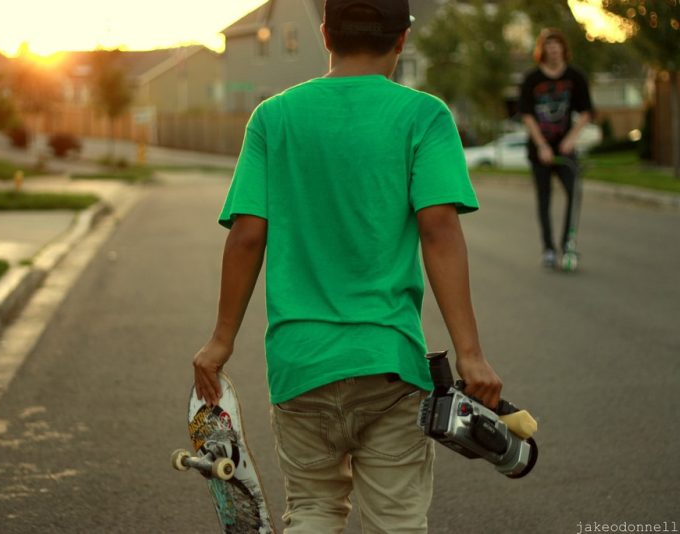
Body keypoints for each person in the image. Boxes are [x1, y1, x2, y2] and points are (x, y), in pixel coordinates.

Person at [192, 1, 502, 532]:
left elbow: (246, 237)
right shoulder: (424, 116)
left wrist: (221, 341)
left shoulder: (274, 117)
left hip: (300, 366)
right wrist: (471, 356)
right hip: (389, 365)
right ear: (402, 40)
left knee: (313, 510)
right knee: (397, 520)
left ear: (325, 36)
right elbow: (439, 230)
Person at [519, 28, 594, 268]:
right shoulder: (532, 79)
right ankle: (549, 248)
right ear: (543, 50)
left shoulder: (575, 77)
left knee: (574, 192)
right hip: (540, 148)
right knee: (544, 198)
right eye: (548, 45)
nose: (553, 49)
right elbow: (527, 115)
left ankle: (567, 243)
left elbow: (586, 113)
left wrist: (571, 139)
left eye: (557, 45)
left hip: (565, 147)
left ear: (563, 48)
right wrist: (541, 145)